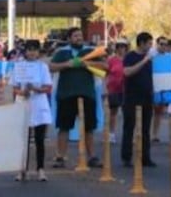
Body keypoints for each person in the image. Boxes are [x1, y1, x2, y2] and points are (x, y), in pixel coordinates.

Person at [48, 27, 103, 169]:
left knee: (89, 127)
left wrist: (87, 63)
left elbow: (105, 67)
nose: (79, 38)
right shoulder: (62, 52)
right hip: (66, 95)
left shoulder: (90, 50)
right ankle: (60, 157)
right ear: (69, 38)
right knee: (64, 127)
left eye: (80, 35)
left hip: (87, 94)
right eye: (75, 36)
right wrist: (67, 64)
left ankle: (92, 157)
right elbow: (51, 67)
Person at [11, 40, 53, 182]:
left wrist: (35, 89)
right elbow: (15, 87)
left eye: (35, 49)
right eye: (29, 49)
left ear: (38, 52)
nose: (32, 52)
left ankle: (40, 169)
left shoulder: (43, 67)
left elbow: (48, 87)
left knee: (40, 139)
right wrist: (23, 92)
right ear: (25, 51)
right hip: (23, 103)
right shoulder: (19, 66)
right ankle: (22, 169)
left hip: (39, 104)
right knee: (23, 140)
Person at [121, 32, 156, 168]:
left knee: (145, 128)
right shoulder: (130, 56)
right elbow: (127, 72)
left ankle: (145, 157)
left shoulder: (153, 58)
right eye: (149, 43)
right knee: (130, 126)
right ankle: (126, 156)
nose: (151, 46)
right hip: (132, 97)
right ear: (141, 43)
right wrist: (144, 60)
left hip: (147, 96)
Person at [105, 39, 129, 144]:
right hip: (113, 89)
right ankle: (111, 134)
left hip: (126, 89)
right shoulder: (111, 60)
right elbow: (106, 72)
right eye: (119, 47)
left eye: (123, 47)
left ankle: (127, 134)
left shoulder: (128, 59)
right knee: (113, 112)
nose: (121, 49)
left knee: (127, 113)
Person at [149, 37, 171, 143]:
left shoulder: (168, 57)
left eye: (165, 44)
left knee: (158, 112)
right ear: (157, 44)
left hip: (161, 88)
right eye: (161, 44)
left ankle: (155, 134)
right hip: (149, 86)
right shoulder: (150, 54)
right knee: (147, 112)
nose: (163, 46)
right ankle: (143, 133)